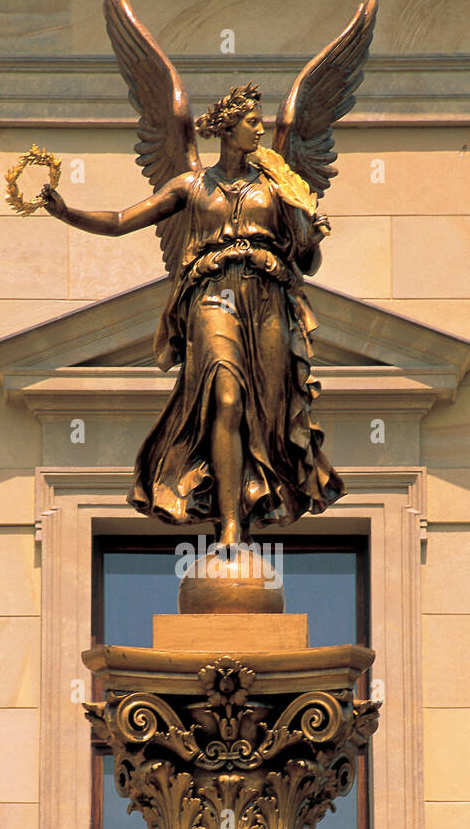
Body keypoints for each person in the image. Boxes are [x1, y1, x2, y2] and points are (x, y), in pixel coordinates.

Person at [42, 83, 345, 547]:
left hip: (267, 298)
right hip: (212, 297)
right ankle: (226, 522)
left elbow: (305, 263)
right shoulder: (192, 185)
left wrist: (311, 233)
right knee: (225, 398)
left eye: (261, 122)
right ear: (228, 128)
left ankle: (251, 504)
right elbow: (124, 221)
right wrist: (66, 213)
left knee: (267, 411)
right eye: (251, 122)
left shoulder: (277, 182)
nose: (260, 129)